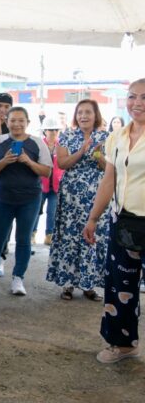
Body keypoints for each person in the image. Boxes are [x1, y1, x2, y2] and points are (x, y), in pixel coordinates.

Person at [82, 79, 145, 363]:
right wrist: (93, 218)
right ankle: (122, 344)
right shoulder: (117, 136)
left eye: (144, 97)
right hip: (124, 222)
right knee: (120, 285)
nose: (137, 103)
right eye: (132, 97)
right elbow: (109, 179)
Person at [0, 107, 52, 295]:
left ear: (28, 122)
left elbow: (46, 171)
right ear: (7, 121)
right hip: (3, 197)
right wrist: (5, 161)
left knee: (23, 238)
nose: (17, 124)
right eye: (13, 120)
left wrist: (28, 161)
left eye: (21, 120)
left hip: (30, 199)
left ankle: (18, 278)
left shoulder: (37, 143)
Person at [47, 101, 109, 301]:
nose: (84, 116)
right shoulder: (66, 136)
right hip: (72, 196)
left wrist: (98, 155)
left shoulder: (106, 137)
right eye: (80, 112)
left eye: (88, 112)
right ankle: (67, 284)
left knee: (92, 238)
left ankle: (89, 285)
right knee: (70, 236)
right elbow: (62, 163)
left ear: (95, 115)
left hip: (96, 195)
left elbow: (107, 168)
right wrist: (82, 151)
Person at [32, 117, 64, 246]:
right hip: (40, 185)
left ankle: (49, 236)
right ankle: (32, 234)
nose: (54, 132)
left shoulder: (61, 145)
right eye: (51, 129)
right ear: (45, 131)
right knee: (35, 211)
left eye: (56, 129)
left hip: (56, 186)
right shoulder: (39, 144)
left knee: (52, 212)